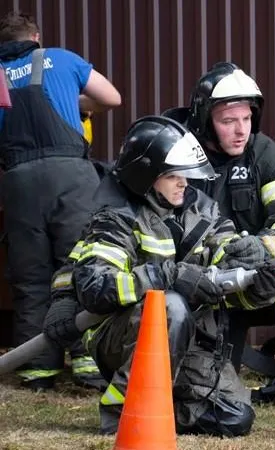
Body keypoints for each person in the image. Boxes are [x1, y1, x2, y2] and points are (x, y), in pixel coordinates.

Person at [62, 115, 275, 436]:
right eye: (173, 175)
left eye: (185, 174)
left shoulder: (202, 212)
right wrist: (170, 277)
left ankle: (158, 404)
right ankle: (123, 409)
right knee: (169, 306)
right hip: (123, 338)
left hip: (191, 339)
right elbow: (96, 289)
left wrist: (260, 280)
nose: (184, 182)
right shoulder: (117, 218)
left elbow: (226, 270)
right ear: (146, 175)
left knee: (234, 417)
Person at [163, 62, 275, 442]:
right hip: (201, 291)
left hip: (254, 282)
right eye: (227, 120)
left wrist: (268, 249)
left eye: (246, 118)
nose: (241, 130)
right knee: (221, 404)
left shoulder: (264, 154)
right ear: (205, 120)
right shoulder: (175, 154)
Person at [0, 11, 121, 391]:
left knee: (31, 275)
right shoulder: (61, 58)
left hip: (18, 182)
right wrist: (79, 101)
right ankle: (88, 364)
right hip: (71, 177)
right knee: (81, 266)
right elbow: (111, 98)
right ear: (36, 36)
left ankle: (37, 368)